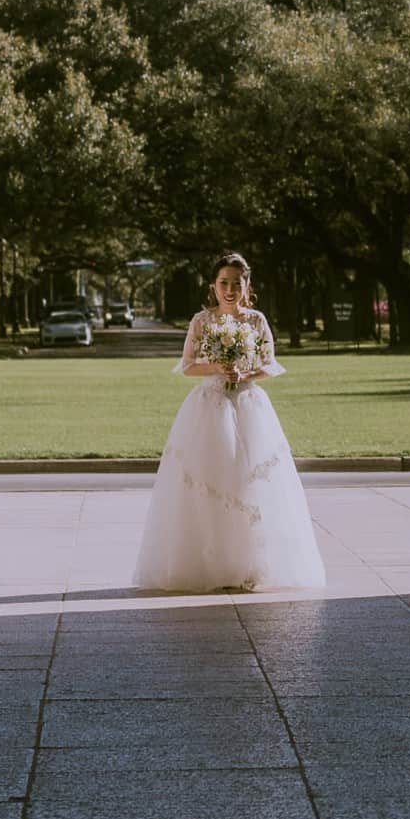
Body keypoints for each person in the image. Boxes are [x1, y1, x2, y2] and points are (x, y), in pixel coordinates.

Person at [133, 252, 325, 593]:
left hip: (249, 406)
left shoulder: (256, 321)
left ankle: (249, 566)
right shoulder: (201, 321)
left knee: (249, 482)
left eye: (237, 282)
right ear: (213, 286)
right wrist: (219, 368)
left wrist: (245, 373)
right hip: (209, 407)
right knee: (210, 478)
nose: (230, 289)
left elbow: (270, 364)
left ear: (248, 285)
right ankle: (211, 564)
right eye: (224, 283)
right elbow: (188, 366)